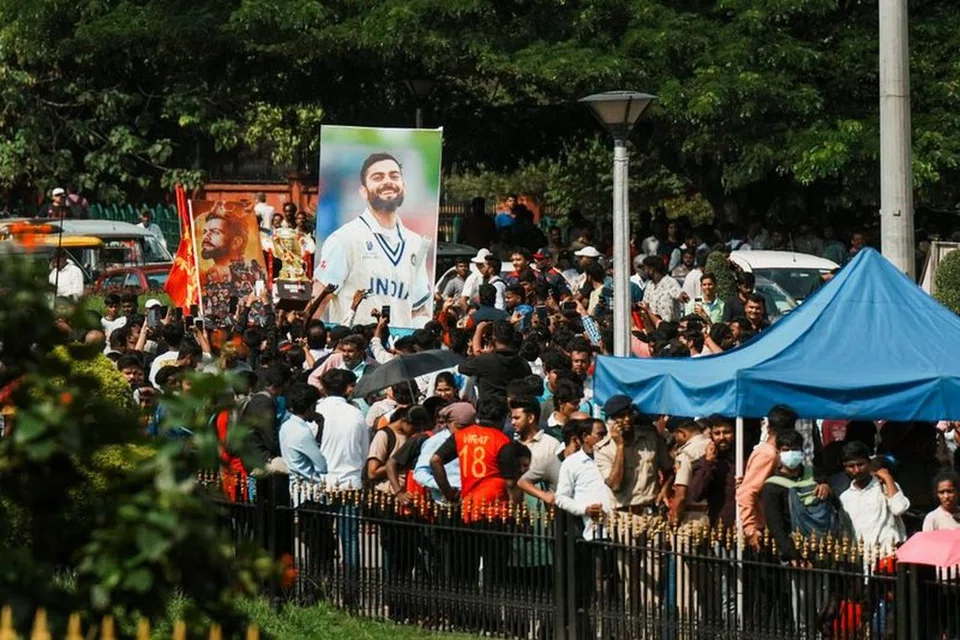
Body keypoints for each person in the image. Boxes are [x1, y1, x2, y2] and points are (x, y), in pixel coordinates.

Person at [314, 153, 432, 327]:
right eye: (378, 177)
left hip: (400, 344)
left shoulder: (416, 244)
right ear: (363, 191)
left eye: (394, 176)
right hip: (355, 342)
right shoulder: (344, 239)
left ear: (404, 187)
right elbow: (320, 299)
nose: (388, 181)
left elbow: (417, 309)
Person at [593, 395, 672, 514]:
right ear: (612, 422)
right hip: (624, 514)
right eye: (621, 416)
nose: (627, 419)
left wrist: (665, 490)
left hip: (652, 512)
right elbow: (615, 485)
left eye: (629, 414)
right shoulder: (603, 449)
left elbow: (669, 470)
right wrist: (620, 446)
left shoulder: (650, 437)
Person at [737, 405, 798, 546]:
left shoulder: (771, 452)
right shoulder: (768, 454)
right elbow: (747, 492)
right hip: (762, 529)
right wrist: (750, 529)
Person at [198, 203, 266, 320]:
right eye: (205, 232)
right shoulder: (203, 277)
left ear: (236, 242)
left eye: (215, 232)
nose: (206, 236)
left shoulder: (252, 273)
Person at [838, 440, 910, 551]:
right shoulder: (845, 498)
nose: (857, 470)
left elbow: (899, 508)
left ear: (869, 463)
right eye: (851, 466)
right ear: (845, 468)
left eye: (860, 464)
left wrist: (888, 478)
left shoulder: (885, 486)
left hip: (889, 554)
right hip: (863, 556)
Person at [316, 369, 368, 489]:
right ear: (347, 389)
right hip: (351, 481)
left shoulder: (316, 411)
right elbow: (364, 450)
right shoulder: (356, 414)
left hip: (322, 481)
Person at [458, 320, 531, 404]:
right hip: (513, 408)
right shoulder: (523, 363)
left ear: (494, 337)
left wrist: (478, 331)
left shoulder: (485, 360)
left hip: (488, 408)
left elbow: (462, 368)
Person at [510, 397, 561, 504]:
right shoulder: (511, 445)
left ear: (530, 418)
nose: (512, 422)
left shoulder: (551, 445)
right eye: (512, 418)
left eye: (517, 418)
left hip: (542, 506)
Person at [688, 418, 737, 528]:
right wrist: (708, 463)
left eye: (726, 432)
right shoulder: (706, 462)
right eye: (717, 433)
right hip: (718, 525)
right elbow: (696, 494)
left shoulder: (744, 461)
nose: (722, 437)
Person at [279, 383, 326, 483]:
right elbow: (321, 466)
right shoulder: (303, 432)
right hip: (308, 484)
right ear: (311, 407)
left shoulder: (285, 426)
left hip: (293, 483)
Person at [639, 255, 686, 324]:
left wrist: (683, 296)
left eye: (645, 269)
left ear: (651, 269)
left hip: (669, 326)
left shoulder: (670, 282)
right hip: (653, 325)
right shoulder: (650, 285)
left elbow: (678, 294)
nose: (644, 272)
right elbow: (646, 302)